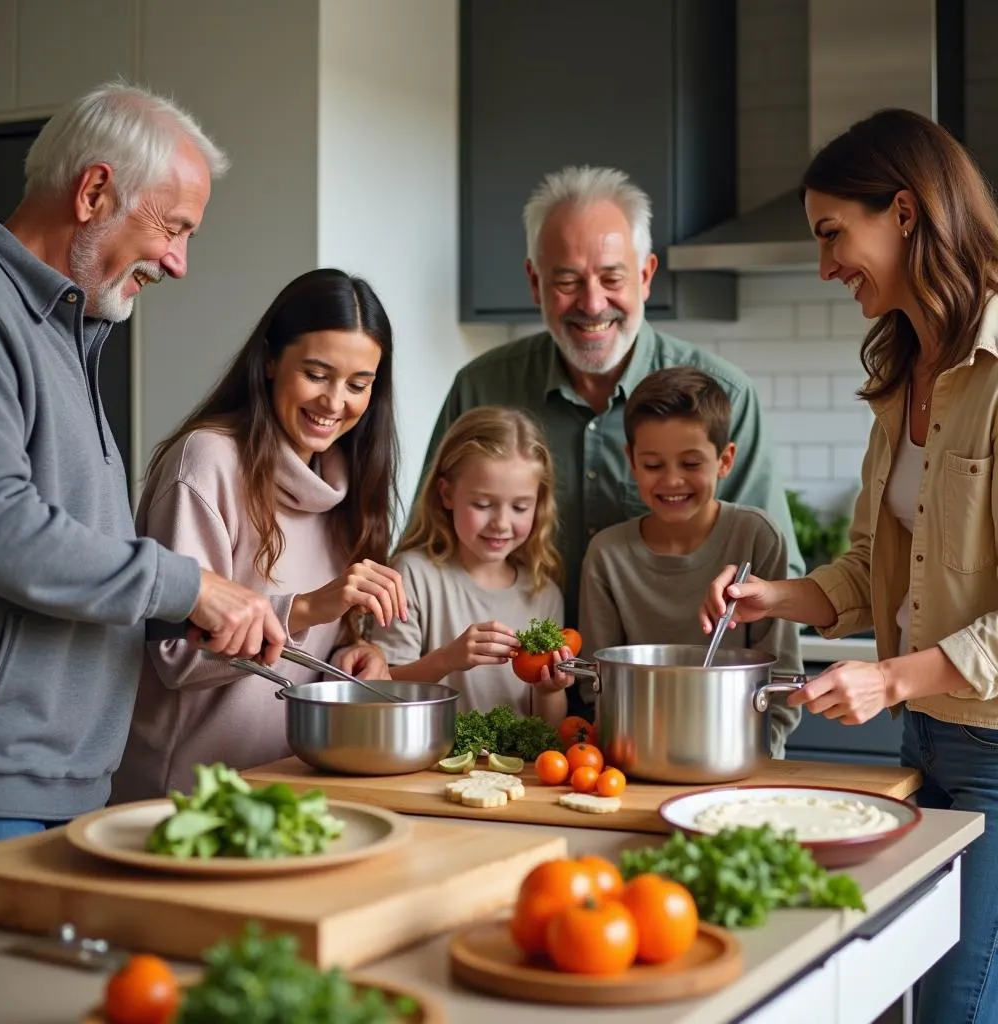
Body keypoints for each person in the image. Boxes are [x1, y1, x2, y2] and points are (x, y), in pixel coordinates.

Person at [701, 108, 998, 1024]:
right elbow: (878, 564)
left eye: (835, 233)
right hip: (928, 743)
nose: (826, 264)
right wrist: (774, 594)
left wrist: (891, 679)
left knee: (958, 1005)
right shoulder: (904, 367)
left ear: (905, 212)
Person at [0, 82, 286, 845]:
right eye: (174, 228)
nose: (179, 264)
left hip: (69, 776)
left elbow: (68, 542)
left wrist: (180, 609)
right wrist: (187, 585)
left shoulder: (70, 330)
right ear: (94, 192)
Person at [421, 166, 802, 661]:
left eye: (612, 277)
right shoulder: (481, 389)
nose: (593, 303)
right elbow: (430, 541)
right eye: (566, 281)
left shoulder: (726, 395)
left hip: (678, 701)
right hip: (519, 699)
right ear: (535, 283)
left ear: (645, 277)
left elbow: (770, 578)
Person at [112, 269, 407, 800]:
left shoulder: (352, 485)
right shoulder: (205, 462)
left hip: (289, 785)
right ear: (271, 361)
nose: (336, 402)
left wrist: (355, 651)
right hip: (187, 793)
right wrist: (306, 609)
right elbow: (175, 656)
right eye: (316, 374)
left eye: (358, 385)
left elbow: (320, 643)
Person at [580, 367, 801, 755]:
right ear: (631, 460)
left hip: (744, 757)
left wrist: (758, 757)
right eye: (653, 465)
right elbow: (598, 682)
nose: (672, 481)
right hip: (637, 755)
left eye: (691, 464)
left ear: (725, 459)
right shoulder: (607, 554)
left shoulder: (757, 536)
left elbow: (779, 680)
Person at [372, 407, 574, 725]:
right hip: (432, 766)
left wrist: (550, 691)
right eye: (482, 504)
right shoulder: (412, 575)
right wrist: (447, 659)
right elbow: (379, 688)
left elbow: (547, 725)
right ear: (447, 493)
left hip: (514, 771)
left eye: (520, 507)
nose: (501, 523)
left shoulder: (543, 592)